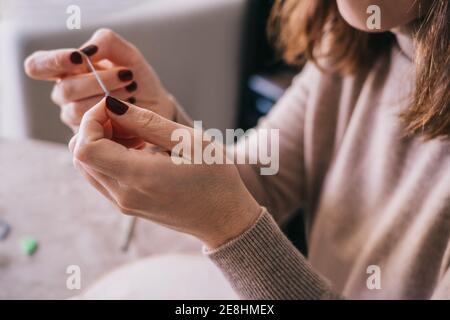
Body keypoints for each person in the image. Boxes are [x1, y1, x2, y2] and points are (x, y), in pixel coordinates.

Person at [24, 0, 450, 299]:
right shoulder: (358, 46)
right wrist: (161, 122)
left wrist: (228, 225)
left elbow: (235, 206)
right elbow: (257, 179)